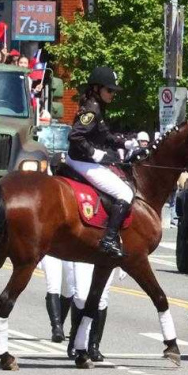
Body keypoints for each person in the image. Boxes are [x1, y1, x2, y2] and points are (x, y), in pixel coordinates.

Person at [67, 66, 130, 257]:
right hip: (82, 161)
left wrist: (125, 141)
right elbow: (75, 136)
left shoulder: (97, 107)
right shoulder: (92, 110)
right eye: (109, 90)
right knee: (125, 192)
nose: (112, 94)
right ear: (96, 88)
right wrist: (94, 153)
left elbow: (104, 135)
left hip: (84, 160)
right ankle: (109, 239)